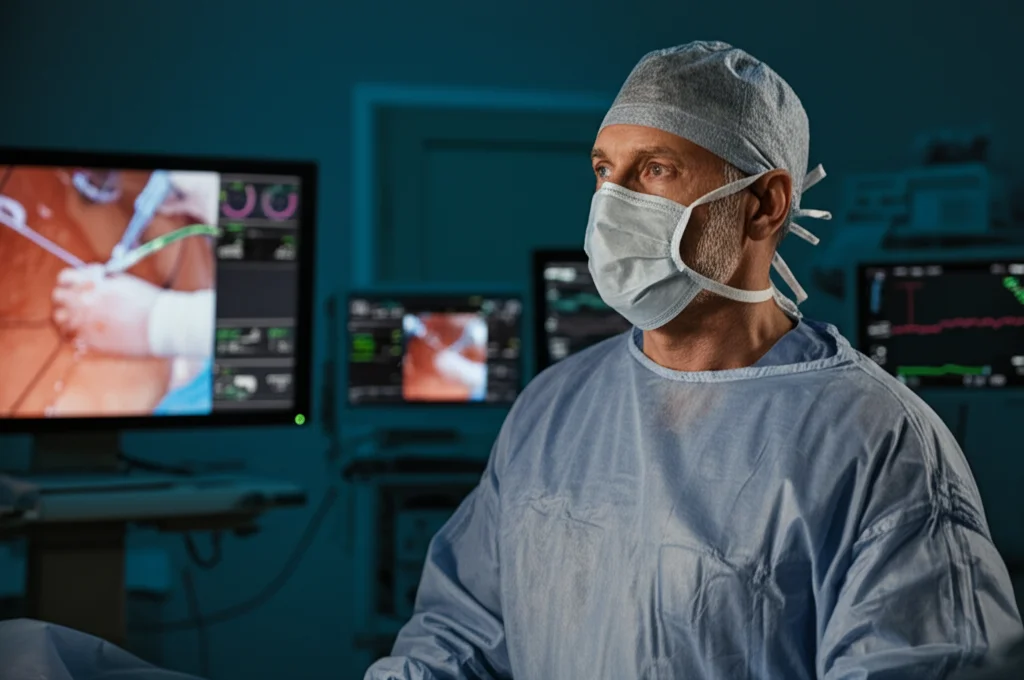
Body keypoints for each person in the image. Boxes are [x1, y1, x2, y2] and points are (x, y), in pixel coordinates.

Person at [364, 41, 1022, 679]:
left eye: (654, 169)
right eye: (602, 170)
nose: (611, 202)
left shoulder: (877, 442)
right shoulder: (553, 407)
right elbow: (460, 633)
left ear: (764, 205)